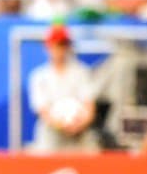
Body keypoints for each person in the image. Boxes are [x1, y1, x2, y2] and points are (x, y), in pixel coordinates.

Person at [27, 24, 98, 152]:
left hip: (80, 130)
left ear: (68, 46)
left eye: (62, 45)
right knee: (45, 144)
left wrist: (79, 123)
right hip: (52, 133)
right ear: (47, 47)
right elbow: (42, 110)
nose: (58, 50)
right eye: (55, 45)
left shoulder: (82, 72)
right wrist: (61, 124)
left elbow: (89, 106)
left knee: (92, 146)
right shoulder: (39, 76)